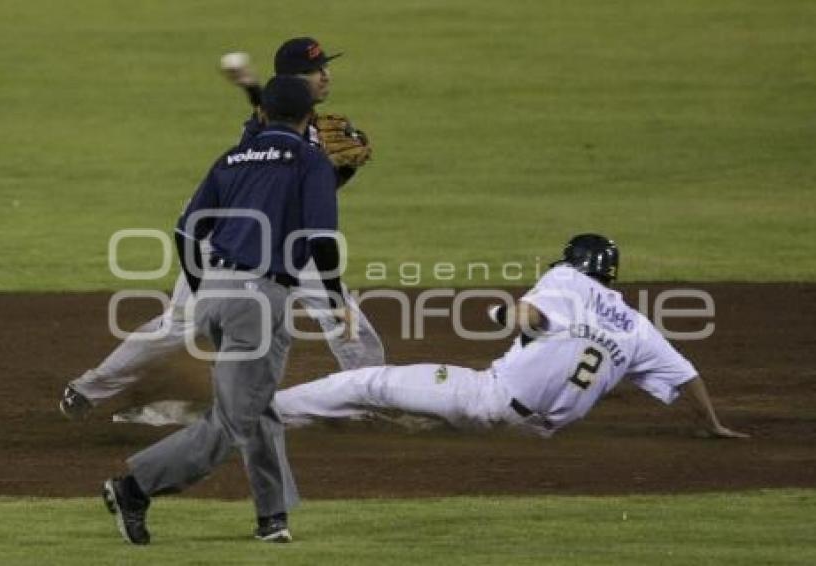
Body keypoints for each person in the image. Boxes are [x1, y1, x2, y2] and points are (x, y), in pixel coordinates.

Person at [59, 37, 383, 420]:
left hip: (293, 245)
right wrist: (249, 85)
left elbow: (315, 195)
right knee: (179, 323)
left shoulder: (320, 130)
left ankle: (374, 400)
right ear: (293, 82)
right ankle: (89, 389)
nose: (326, 75)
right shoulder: (267, 124)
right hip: (230, 246)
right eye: (316, 70)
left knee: (346, 320)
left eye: (326, 66)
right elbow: (268, 120)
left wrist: (342, 170)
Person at [103, 76, 349, 545]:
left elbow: (186, 231)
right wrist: (336, 300)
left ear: (265, 115)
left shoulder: (232, 158)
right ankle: (134, 487)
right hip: (259, 299)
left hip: (217, 289)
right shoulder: (310, 159)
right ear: (307, 118)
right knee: (234, 420)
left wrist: (205, 289)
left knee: (257, 404)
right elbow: (320, 241)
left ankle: (272, 517)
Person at [273, 234, 749, 440]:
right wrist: (711, 424)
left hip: (487, 400)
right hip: (536, 434)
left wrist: (507, 311)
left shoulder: (567, 280)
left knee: (368, 383)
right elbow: (688, 377)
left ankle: (264, 411)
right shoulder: (638, 327)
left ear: (574, 262)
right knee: (422, 412)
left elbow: (531, 317)